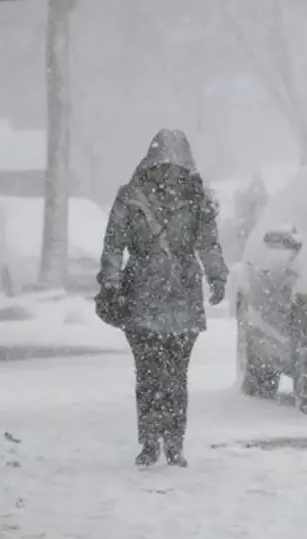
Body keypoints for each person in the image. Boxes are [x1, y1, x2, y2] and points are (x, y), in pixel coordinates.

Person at [98, 129, 228, 468]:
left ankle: (174, 441)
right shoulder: (131, 198)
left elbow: (208, 243)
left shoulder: (197, 199)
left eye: (175, 164)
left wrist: (217, 276)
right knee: (149, 374)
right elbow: (114, 244)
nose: (168, 171)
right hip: (142, 297)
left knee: (175, 376)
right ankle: (150, 441)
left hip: (183, 295)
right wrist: (111, 283)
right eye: (163, 163)